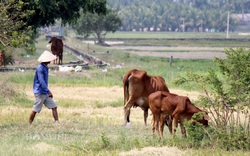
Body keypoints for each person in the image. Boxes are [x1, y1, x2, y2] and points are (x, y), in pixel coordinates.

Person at [29, 50, 59, 125]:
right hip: (40, 92)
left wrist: (47, 91)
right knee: (36, 109)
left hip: (44, 92)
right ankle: (29, 123)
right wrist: (48, 91)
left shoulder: (45, 67)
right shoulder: (40, 68)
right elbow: (41, 81)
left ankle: (57, 122)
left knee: (54, 106)